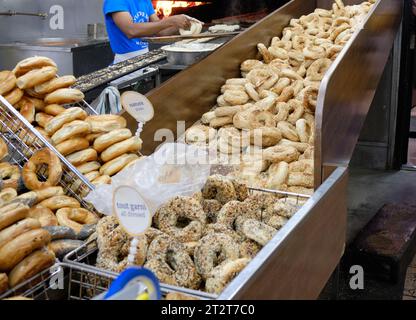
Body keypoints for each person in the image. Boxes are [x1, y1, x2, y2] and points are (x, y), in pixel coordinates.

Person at [103, 0, 193, 63]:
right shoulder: (115, 1)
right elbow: (130, 31)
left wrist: (181, 25)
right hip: (124, 65)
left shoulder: (145, 1)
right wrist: (170, 21)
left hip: (145, 59)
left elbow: (160, 32)